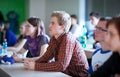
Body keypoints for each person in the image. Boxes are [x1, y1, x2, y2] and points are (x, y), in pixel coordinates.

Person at [24, 11, 89, 77]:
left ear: (62, 27)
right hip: (64, 74)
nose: (49, 26)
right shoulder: (54, 38)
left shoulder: (67, 38)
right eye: (50, 23)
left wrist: (35, 66)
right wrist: (33, 62)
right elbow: (46, 57)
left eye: (53, 23)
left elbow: (61, 66)